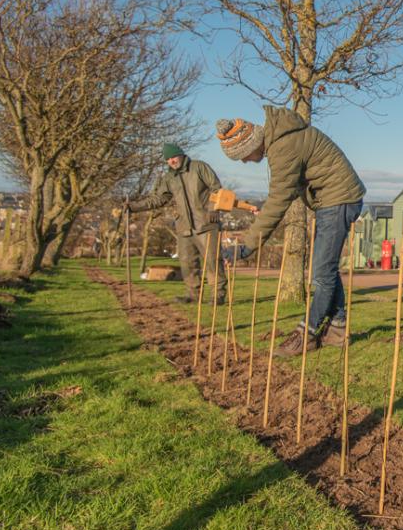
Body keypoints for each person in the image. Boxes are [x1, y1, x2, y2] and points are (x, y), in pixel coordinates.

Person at [217, 107, 365, 355]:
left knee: (321, 272)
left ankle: (306, 333)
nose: (244, 161)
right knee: (325, 267)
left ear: (250, 144)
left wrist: (247, 246)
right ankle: (338, 329)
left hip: (338, 200)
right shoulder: (282, 138)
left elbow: (277, 201)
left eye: (242, 156)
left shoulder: (283, 147)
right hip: (334, 201)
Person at [127, 142, 229, 305]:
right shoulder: (168, 178)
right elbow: (159, 199)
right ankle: (193, 295)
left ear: (181, 154)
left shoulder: (199, 167)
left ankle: (218, 296)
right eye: (168, 159)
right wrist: (134, 207)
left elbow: (217, 189)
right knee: (187, 263)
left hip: (206, 224)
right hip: (184, 227)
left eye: (173, 156)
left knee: (212, 260)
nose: (172, 161)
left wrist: (213, 210)